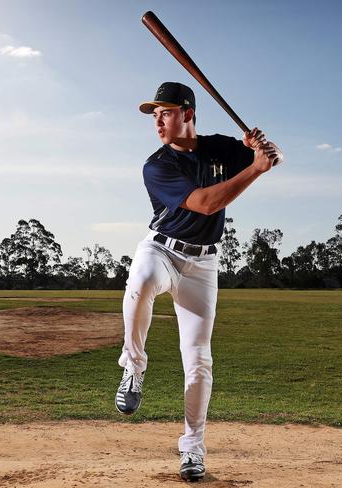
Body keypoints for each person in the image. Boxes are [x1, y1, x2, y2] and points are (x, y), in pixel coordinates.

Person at [114, 82, 282, 482]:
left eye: (165, 112)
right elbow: (207, 203)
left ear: (188, 114)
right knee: (140, 280)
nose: (157, 120)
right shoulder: (156, 165)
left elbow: (270, 157)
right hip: (162, 251)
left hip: (203, 265)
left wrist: (262, 152)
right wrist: (256, 169)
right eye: (154, 115)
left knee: (199, 362)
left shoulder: (222, 147)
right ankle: (134, 365)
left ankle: (192, 449)